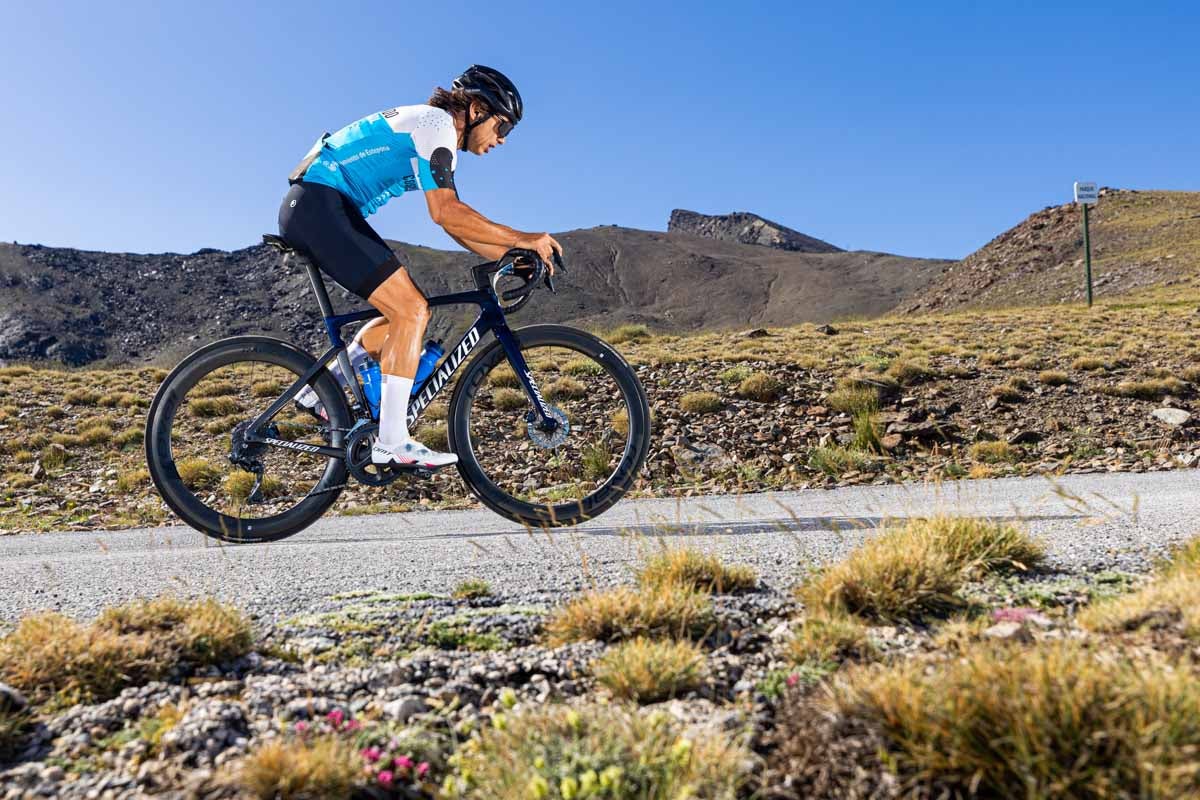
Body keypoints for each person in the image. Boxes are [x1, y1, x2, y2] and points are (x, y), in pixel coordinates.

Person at [277, 65, 563, 469]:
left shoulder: (435, 131)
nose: (501, 141)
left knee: (407, 312)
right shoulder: (438, 125)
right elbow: (447, 213)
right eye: (503, 127)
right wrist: (524, 238)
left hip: (318, 205)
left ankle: (325, 388)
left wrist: (503, 256)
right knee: (411, 310)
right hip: (319, 206)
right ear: (478, 108)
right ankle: (393, 441)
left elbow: (454, 225)